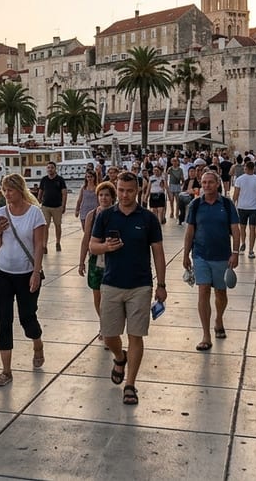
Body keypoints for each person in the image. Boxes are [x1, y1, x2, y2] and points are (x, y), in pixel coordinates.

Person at [89, 171, 167, 406]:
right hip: (111, 283)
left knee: (136, 335)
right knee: (110, 335)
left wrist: (161, 285)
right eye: (121, 190)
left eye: (129, 191)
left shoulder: (148, 219)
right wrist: (106, 247)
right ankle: (119, 357)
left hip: (140, 285)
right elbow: (93, 246)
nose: (124, 195)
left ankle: (130, 384)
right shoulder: (105, 217)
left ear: (138, 191)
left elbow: (158, 252)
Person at [0, 173, 46, 387]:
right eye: (4, 190)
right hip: (3, 271)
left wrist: (36, 272)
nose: (6, 194)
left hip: (26, 272)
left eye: (10, 190)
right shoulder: (1, 213)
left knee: (27, 317)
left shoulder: (35, 214)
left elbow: (39, 245)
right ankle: (6, 370)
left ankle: (37, 343)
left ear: (20, 190)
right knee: (3, 319)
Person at [181, 170, 240, 352]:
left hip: (222, 256)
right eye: (204, 182)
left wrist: (235, 252)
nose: (207, 186)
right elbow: (190, 231)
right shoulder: (196, 205)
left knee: (221, 294)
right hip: (200, 255)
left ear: (217, 184)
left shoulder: (227, 205)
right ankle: (206, 335)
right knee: (203, 291)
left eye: (210, 182)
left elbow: (235, 230)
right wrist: (186, 254)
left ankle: (219, 319)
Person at [78, 181, 117, 340]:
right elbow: (86, 239)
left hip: (113, 258)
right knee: (97, 294)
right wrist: (81, 261)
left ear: (112, 197)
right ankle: (103, 323)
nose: (104, 198)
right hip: (95, 259)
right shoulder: (92, 215)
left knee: (111, 295)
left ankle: (110, 325)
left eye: (107, 195)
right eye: (101, 195)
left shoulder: (117, 214)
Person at [232, 161, 256, 259]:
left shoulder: (239, 179)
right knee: (252, 229)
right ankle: (251, 250)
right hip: (254, 208)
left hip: (242, 207)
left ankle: (243, 243)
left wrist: (232, 204)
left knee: (242, 227)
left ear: (245, 168)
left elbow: (236, 194)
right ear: (254, 168)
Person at [36, 161, 68, 252]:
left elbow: (64, 193)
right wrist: (38, 202)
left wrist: (64, 205)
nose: (50, 169)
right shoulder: (44, 179)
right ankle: (44, 246)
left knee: (58, 225)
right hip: (45, 206)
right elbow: (40, 192)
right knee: (45, 226)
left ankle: (58, 242)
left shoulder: (60, 180)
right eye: (48, 168)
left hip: (57, 206)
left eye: (52, 167)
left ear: (55, 169)